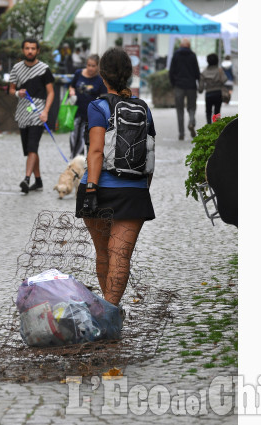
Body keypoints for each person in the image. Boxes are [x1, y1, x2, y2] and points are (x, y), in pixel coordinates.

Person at [75, 47, 156, 309]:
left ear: (102, 74)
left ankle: (107, 312)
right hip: (134, 191)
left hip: (100, 189)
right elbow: (150, 153)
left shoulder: (97, 106)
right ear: (130, 74)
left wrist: (90, 189)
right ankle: (111, 309)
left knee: (103, 253)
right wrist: (144, 189)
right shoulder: (145, 109)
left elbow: (96, 152)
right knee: (120, 255)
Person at [9, 38, 55, 193]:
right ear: (23, 50)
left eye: (33, 48)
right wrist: (17, 92)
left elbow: (51, 92)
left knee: (32, 146)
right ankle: (39, 181)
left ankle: (26, 179)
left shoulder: (44, 69)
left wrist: (46, 111)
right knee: (30, 150)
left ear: (38, 51)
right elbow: (11, 89)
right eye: (27, 48)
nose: (30, 51)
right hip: (22, 112)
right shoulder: (16, 68)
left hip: (38, 113)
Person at [68, 54, 108, 158]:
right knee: (74, 138)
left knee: (88, 141)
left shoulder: (100, 80)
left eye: (93, 66)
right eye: (88, 65)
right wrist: (72, 93)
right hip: (77, 112)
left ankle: (88, 164)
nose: (90, 68)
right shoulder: (78, 73)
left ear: (98, 66)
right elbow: (71, 87)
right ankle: (75, 162)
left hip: (91, 115)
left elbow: (103, 98)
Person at [169, 38, 200, 140]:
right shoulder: (192, 55)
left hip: (179, 86)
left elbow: (171, 71)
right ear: (189, 45)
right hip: (191, 86)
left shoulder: (176, 55)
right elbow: (197, 72)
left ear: (181, 45)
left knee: (180, 110)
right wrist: (198, 82)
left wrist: (174, 84)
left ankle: (181, 133)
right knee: (192, 108)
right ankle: (191, 121)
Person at [198, 53, 228, 124]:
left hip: (209, 94)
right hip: (218, 93)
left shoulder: (204, 72)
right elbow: (225, 80)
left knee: (208, 112)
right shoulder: (219, 70)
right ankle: (216, 127)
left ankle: (209, 126)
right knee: (217, 112)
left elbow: (201, 87)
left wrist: (200, 90)